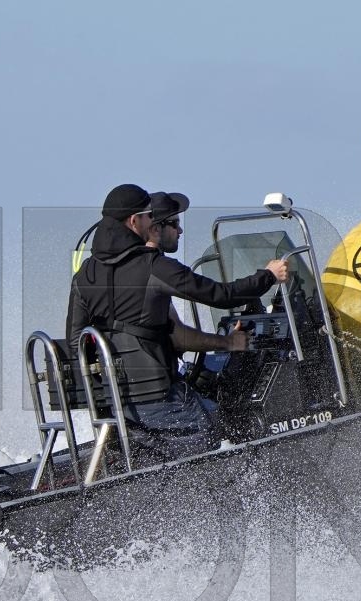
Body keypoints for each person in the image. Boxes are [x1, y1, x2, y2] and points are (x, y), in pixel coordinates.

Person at [66, 183, 288, 454]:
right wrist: (268, 276)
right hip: (158, 396)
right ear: (134, 221)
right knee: (219, 428)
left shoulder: (84, 273)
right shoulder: (153, 266)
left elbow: (75, 341)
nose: (152, 222)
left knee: (171, 436)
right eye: (149, 216)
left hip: (114, 401)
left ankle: (150, 460)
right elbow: (222, 295)